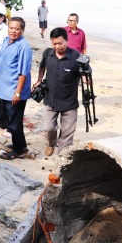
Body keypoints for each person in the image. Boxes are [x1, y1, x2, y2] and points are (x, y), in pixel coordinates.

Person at [32, 27, 80, 156]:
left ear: (67, 40)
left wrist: (87, 79)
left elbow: (85, 73)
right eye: (54, 43)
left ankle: (62, 158)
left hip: (69, 101)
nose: (57, 46)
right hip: (50, 99)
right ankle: (51, 143)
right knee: (49, 128)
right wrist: (39, 80)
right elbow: (42, 66)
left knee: (67, 133)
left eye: (60, 43)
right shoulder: (48, 53)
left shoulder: (75, 56)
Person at [0, 17, 33, 160]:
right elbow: (1, 63)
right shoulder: (7, 41)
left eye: (17, 29)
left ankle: (18, 151)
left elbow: (23, 72)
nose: (13, 31)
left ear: (23, 30)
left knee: (14, 121)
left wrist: (17, 93)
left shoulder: (24, 47)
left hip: (14, 90)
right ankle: (22, 145)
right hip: (3, 87)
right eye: (11, 28)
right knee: (11, 118)